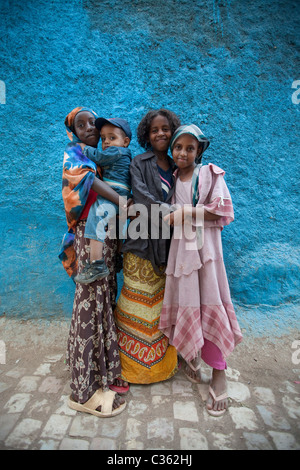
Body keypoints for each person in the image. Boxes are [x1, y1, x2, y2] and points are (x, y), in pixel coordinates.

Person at [159, 124, 243, 416]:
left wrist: (186, 213)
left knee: (210, 302)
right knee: (187, 301)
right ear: (172, 150)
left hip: (206, 252)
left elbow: (222, 210)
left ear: (200, 151)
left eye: (190, 148)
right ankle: (190, 355)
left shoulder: (209, 174)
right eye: (178, 147)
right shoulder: (171, 178)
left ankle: (219, 372)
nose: (183, 153)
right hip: (182, 250)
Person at [59, 106, 128, 417]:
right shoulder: (75, 153)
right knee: (89, 302)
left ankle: (100, 373)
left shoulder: (98, 158)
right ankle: (82, 391)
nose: (89, 128)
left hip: (104, 235)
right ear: (73, 131)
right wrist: (122, 201)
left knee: (102, 301)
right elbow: (86, 181)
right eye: (82, 124)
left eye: (93, 125)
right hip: (89, 236)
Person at [114, 108, 181, 385]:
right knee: (135, 305)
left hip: (170, 248)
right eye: (154, 130)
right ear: (146, 134)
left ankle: (160, 367)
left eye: (165, 128)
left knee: (160, 307)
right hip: (140, 246)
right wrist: (173, 211)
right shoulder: (139, 163)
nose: (160, 133)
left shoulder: (180, 165)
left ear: (172, 130)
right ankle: (130, 367)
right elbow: (140, 198)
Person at [74, 117, 132, 284]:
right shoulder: (124, 154)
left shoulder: (117, 152)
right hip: (123, 195)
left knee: (96, 216)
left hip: (113, 193)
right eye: (104, 138)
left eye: (112, 138)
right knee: (119, 228)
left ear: (125, 141)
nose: (106, 142)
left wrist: (83, 149)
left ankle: (97, 263)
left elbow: (98, 156)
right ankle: (119, 255)